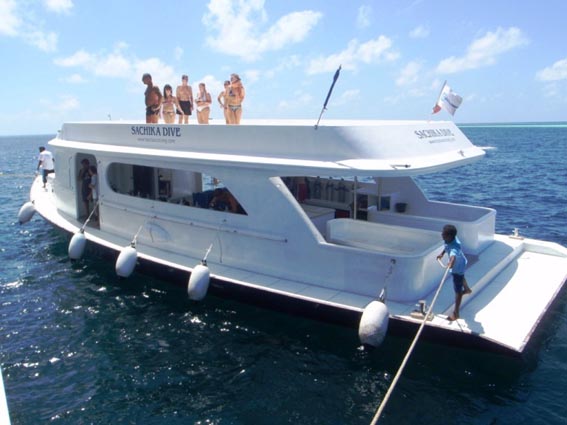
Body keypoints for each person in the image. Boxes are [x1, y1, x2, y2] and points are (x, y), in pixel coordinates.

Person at [437, 224, 472, 321]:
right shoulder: (450, 239)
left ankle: (456, 313)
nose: (441, 235)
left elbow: (453, 256)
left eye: (443, 234)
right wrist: (442, 254)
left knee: (458, 290)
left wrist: (451, 263)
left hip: (457, 266)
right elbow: (446, 246)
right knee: (460, 277)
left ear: (449, 236)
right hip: (461, 263)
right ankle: (467, 289)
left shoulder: (454, 248)